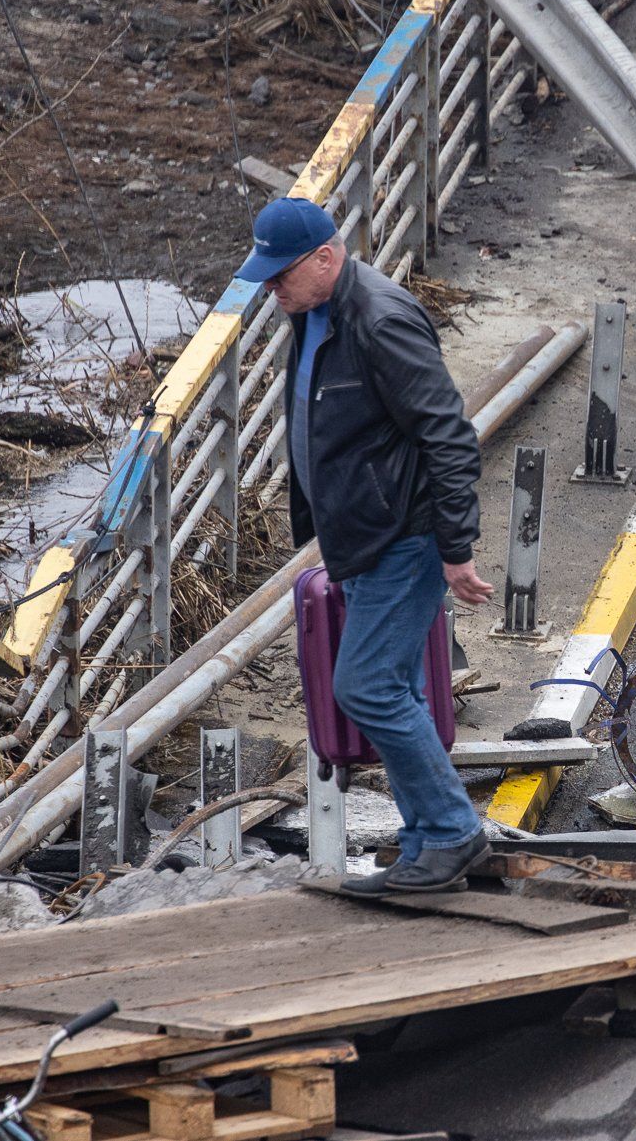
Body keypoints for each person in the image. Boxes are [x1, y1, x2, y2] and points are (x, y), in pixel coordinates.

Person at [237, 197, 495, 896]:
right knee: (400, 686)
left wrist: (455, 545)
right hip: (360, 539)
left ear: (327, 255)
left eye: (280, 274)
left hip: (403, 540)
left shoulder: (380, 319)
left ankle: (451, 832)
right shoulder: (312, 312)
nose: (271, 289)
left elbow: (448, 433)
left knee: (365, 685)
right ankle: (423, 846)